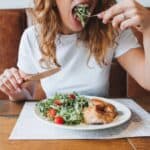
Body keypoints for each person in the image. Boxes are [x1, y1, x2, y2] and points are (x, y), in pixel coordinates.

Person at [0, 0, 150, 101]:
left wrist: (149, 28)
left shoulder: (112, 29)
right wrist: (13, 88)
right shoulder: (32, 37)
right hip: (57, 122)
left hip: (100, 120)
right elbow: (27, 92)